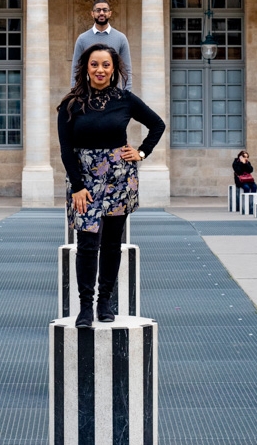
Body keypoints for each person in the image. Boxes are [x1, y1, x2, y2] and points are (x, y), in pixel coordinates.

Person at [58, 43, 165, 328]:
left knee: (112, 243)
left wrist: (141, 152)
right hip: (84, 181)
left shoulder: (125, 100)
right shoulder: (70, 103)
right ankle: (85, 307)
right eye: (95, 64)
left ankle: (105, 302)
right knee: (87, 243)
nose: (100, 70)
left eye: (106, 64)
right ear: (86, 68)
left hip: (119, 176)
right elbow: (66, 149)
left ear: (114, 68)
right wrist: (78, 186)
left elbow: (157, 125)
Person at [71, 0, 132, 90]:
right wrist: (75, 94)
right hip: (88, 94)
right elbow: (76, 70)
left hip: (114, 94)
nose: (102, 13)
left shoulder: (121, 38)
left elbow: (126, 70)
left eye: (105, 10)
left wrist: (127, 96)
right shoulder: (82, 39)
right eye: (98, 10)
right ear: (92, 13)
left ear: (110, 13)